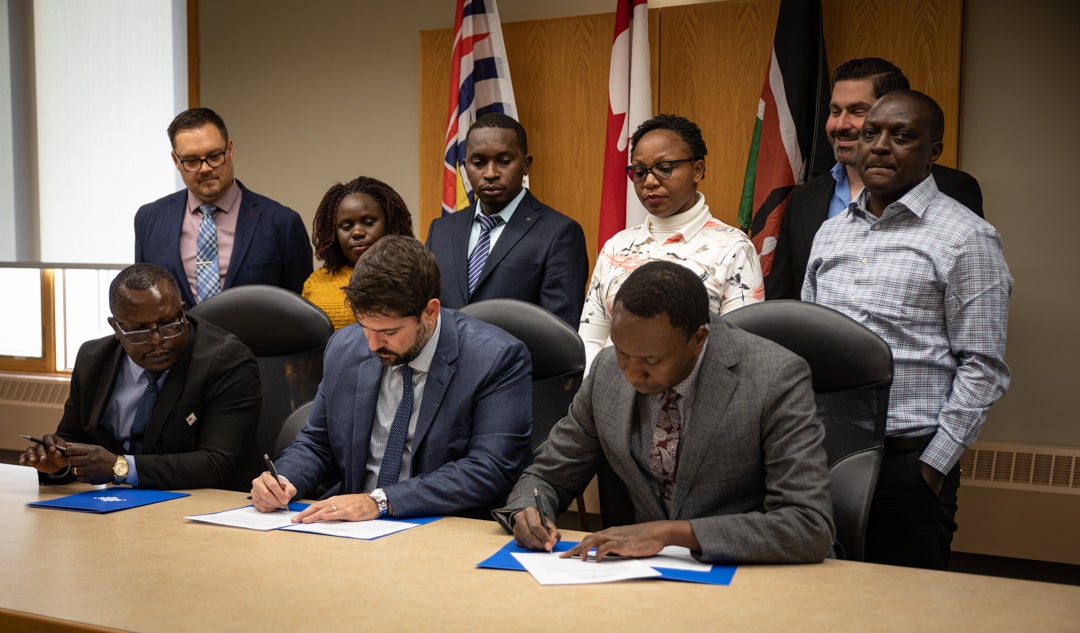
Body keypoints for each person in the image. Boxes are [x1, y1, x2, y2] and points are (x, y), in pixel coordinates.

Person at [497, 261, 833, 564]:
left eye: (651, 360)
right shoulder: (607, 371)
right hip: (641, 575)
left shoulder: (774, 377)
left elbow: (808, 524)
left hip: (748, 574)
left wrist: (672, 533)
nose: (631, 373)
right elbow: (548, 475)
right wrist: (529, 509)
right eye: (623, 352)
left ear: (698, 339)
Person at [804, 90, 1012, 570]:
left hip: (907, 462)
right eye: (871, 133)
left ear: (932, 151)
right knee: (817, 595)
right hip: (823, 455)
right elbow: (810, 344)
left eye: (901, 136)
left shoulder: (967, 237)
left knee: (906, 603)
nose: (879, 146)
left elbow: (983, 366)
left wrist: (932, 467)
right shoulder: (830, 231)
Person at [251, 236, 532, 521]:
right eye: (364, 326)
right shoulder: (345, 348)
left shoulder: (495, 358)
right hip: (350, 527)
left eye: (389, 332)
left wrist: (380, 502)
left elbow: (490, 468)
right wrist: (282, 480)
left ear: (430, 312)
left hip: (441, 525)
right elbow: (317, 442)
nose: (372, 345)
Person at [19, 264, 261, 489]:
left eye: (168, 324)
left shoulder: (225, 361)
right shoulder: (93, 359)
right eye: (139, 330)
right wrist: (58, 463)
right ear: (116, 328)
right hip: (114, 503)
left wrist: (120, 468)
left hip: (199, 504)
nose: (157, 340)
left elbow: (217, 463)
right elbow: (72, 441)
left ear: (183, 313)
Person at [766, 58, 984, 300]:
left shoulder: (952, 190)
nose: (840, 124)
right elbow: (782, 299)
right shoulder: (804, 199)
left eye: (857, 111)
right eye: (835, 111)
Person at [580, 114, 763, 371]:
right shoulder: (616, 247)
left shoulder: (733, 248)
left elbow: (738, 351)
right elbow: (591, 339)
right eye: (639, 172)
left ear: (697, 170)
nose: (649, 181)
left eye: (664, 168)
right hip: (613, 389)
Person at [134, 107, 312, 308]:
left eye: (214, 156)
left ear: (230, 150)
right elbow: (143, 302)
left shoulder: (282, 222)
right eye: (191, 161)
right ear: (176, 161)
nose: (205, 168)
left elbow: (301, 312)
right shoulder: (149, 220)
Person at [425, 113, 589, 328]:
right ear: (465, 167)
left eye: (504, 162)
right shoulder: (441, 230)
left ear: (526, 164)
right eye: (478, 163)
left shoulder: (560, 233)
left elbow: (558, 332)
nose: (490, 173)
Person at [303, 176, 414, 329]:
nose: (357, 232)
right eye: (346, 227)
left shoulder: (410, 275)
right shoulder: (315, 282)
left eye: (368, 223)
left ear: (389, 223)